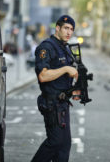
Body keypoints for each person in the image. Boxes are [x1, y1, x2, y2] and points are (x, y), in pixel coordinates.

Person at [31, 15, 81, 162]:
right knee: (55, 142)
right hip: (52, 104)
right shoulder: (47, 47)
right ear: (57, 28)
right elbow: (43, 76)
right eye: (66, 28)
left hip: (63, 104)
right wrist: (66, 69)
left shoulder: (65, 49)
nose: (69, 32)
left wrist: (76, 90)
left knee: (64, 148)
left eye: (71, 29)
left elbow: (64, 79)